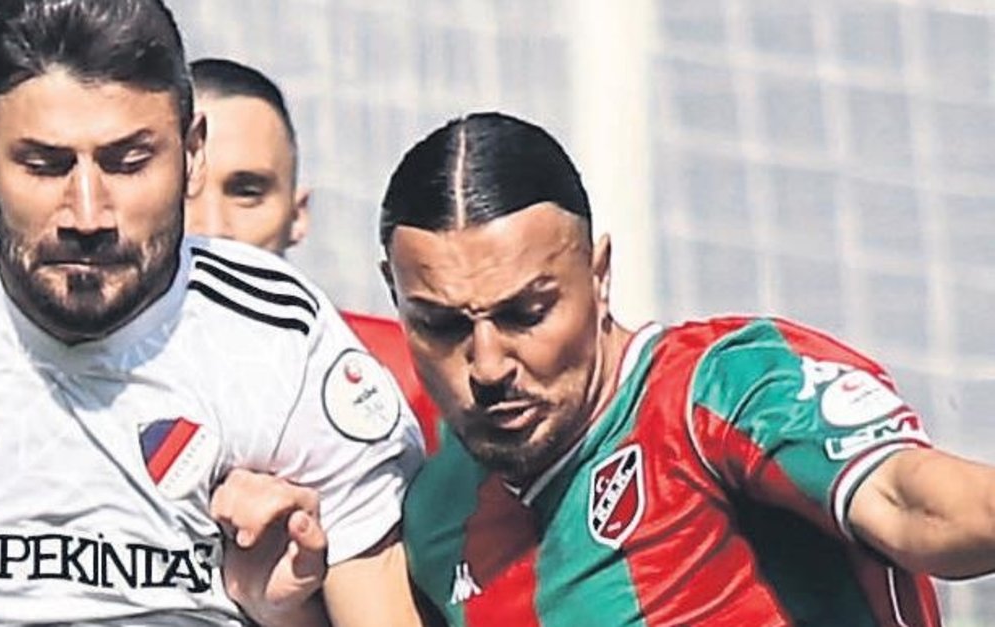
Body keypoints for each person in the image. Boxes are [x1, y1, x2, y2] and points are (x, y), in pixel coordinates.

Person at [0, 1, 422, 625]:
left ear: (192, 152)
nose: (88, 214)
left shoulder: (285, 344)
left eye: (128, 163)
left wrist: (287, 617)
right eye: (44, 165)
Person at [381, 113, 995, 625]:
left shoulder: (727, 391)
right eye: (443, 326)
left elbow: (913, 501)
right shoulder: (435, 518)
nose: (488, 365)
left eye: (526, 313)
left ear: (598, 276)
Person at [185, 57, 440, 453]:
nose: (212, 227)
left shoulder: (407, 376)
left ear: (297, 215)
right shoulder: (90, 386)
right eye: (183, 190)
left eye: (247, 192)